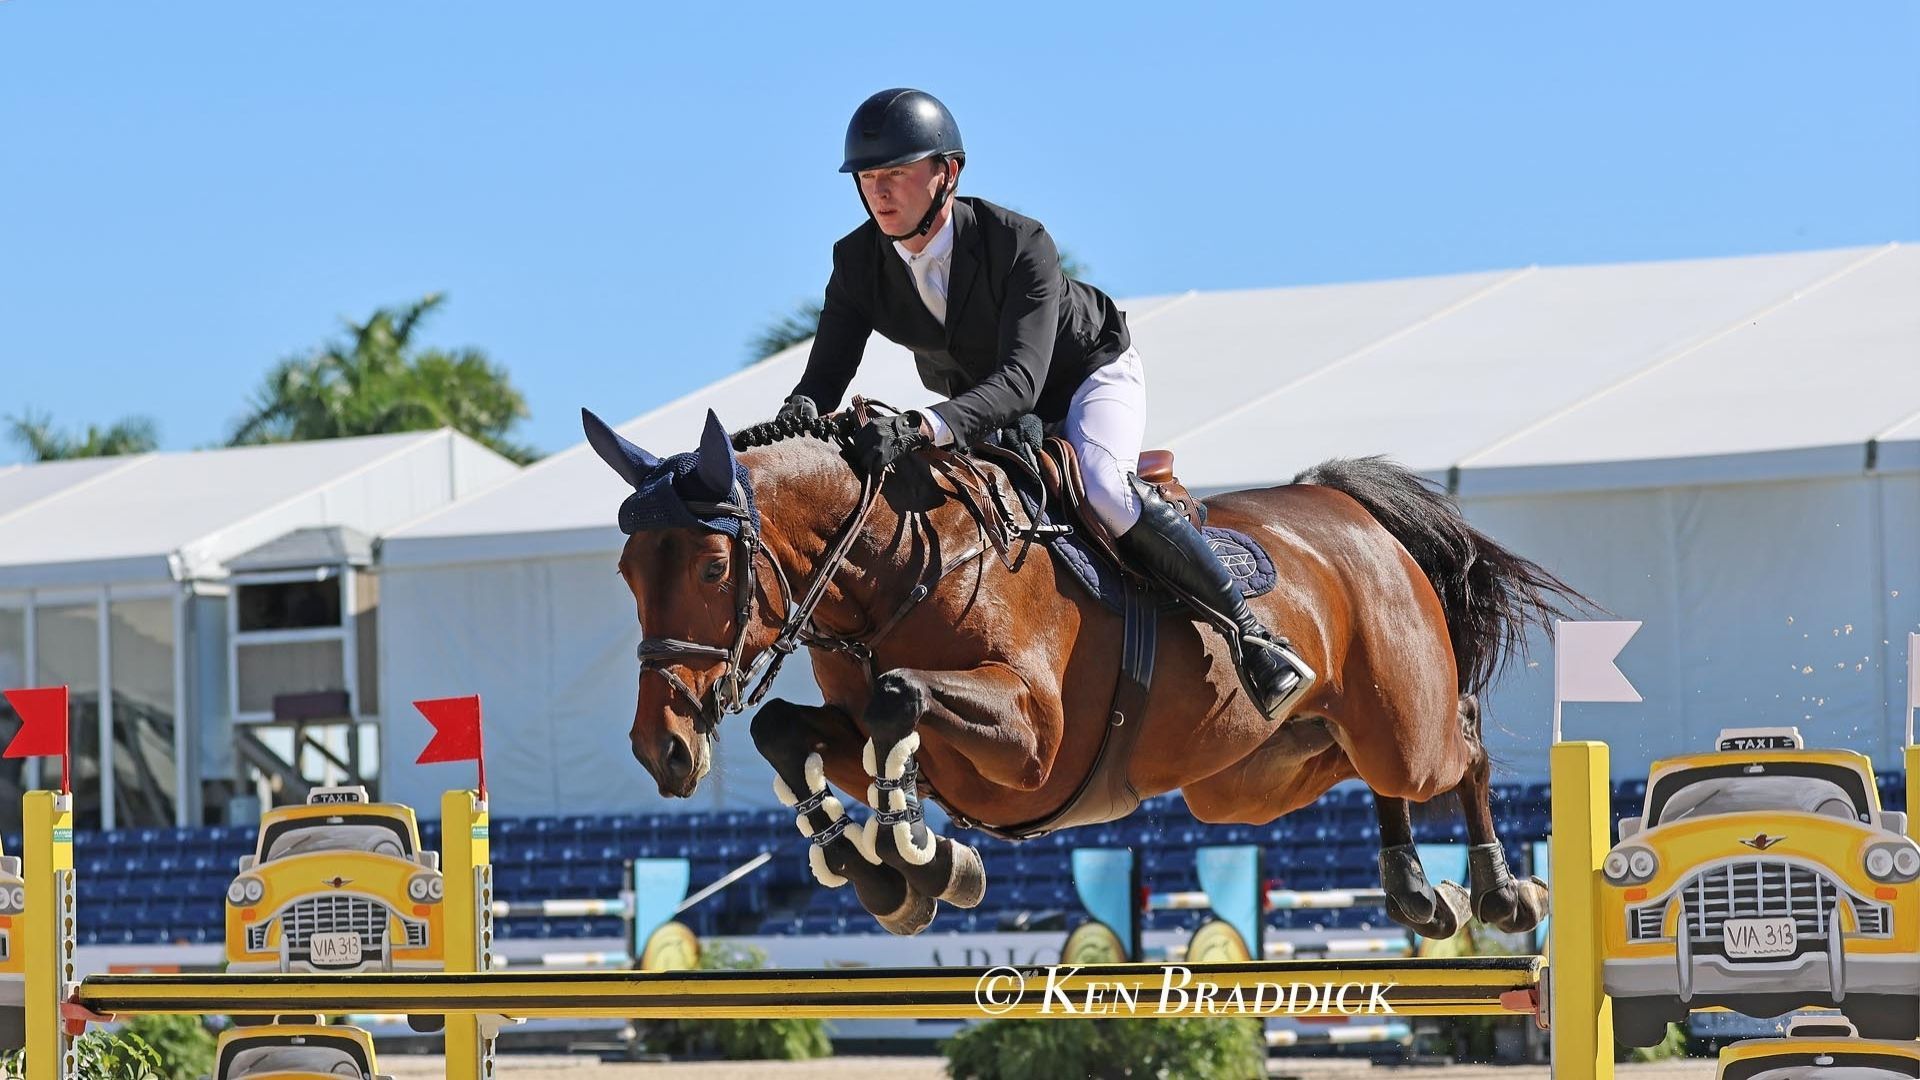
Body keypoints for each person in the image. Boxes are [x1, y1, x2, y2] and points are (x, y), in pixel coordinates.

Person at [777, 87, 1313, 722]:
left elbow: (1021, 380)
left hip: (1084, 376)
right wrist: (796, 417)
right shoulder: (856, 260)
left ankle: (1253, 636)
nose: (879, 192)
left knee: (1104, 487)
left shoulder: (1018, 242)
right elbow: (825, 375)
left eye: (896, 172)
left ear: (948, 173)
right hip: (988, 405)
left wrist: (921, 425)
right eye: (867, 178)